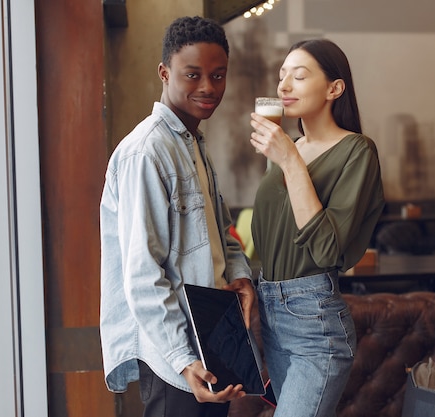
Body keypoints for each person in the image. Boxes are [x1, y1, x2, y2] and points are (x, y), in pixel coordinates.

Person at [99, 16, 255, 417]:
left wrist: (240, 275)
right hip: (178, 359)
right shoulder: (146, 152)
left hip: (211, 341)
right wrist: (184, 360)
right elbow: (142, 274)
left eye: (218, 75)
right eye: (193, 74)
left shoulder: (193, 143)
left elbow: (222, 231)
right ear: (165, 74)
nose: (208, 87)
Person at [249, 39, 385, 417]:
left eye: (299, 75)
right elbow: (269, 238)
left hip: (314, 318)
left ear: (334, 89)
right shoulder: (286, 149)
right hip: (270, 311)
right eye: (282, 76)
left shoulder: (357, 151)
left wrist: (290, 161)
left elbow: (327, 250)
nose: (284, 85)